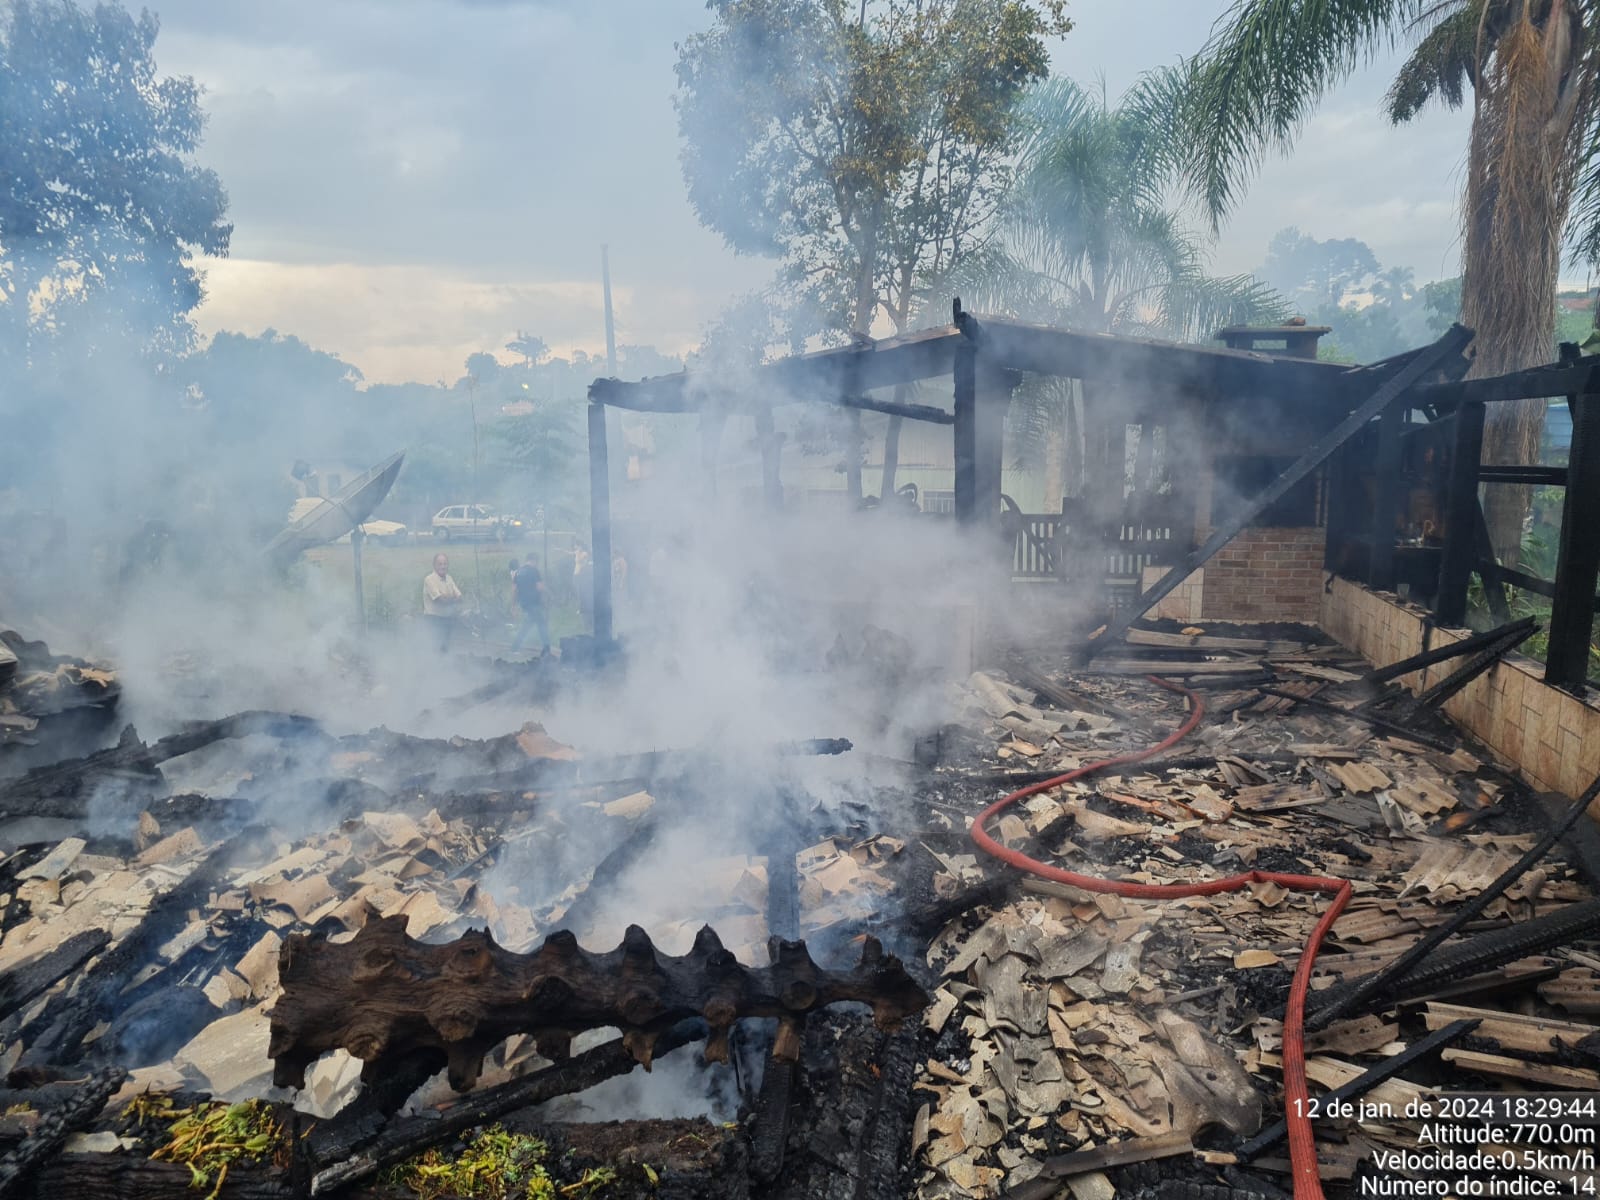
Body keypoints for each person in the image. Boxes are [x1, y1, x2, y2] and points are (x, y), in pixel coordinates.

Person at [509, 553, 550, 656]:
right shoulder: (534, 570)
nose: (537, 564)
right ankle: (547, 650)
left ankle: (514, 648)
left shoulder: (518, 572)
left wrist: (513, 606)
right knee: (542, 625)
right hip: (534, 603)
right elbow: (540, 587)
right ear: (534, 560)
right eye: (537, 562)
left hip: (524, 603)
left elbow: (514, 590)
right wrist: (549, 593)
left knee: (527, 625)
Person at [422, 553, 464, 652]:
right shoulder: (429, 579)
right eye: (440, 564)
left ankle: (445, 665)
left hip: (447, 619)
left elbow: (460, 598)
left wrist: (447, 598)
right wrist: (452, 598)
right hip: (433, 620)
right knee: (435, 647)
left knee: (446, 647)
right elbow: (440, 601)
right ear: (434, 565)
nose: (443, 566)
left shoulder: (449, 578)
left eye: (445, 564)